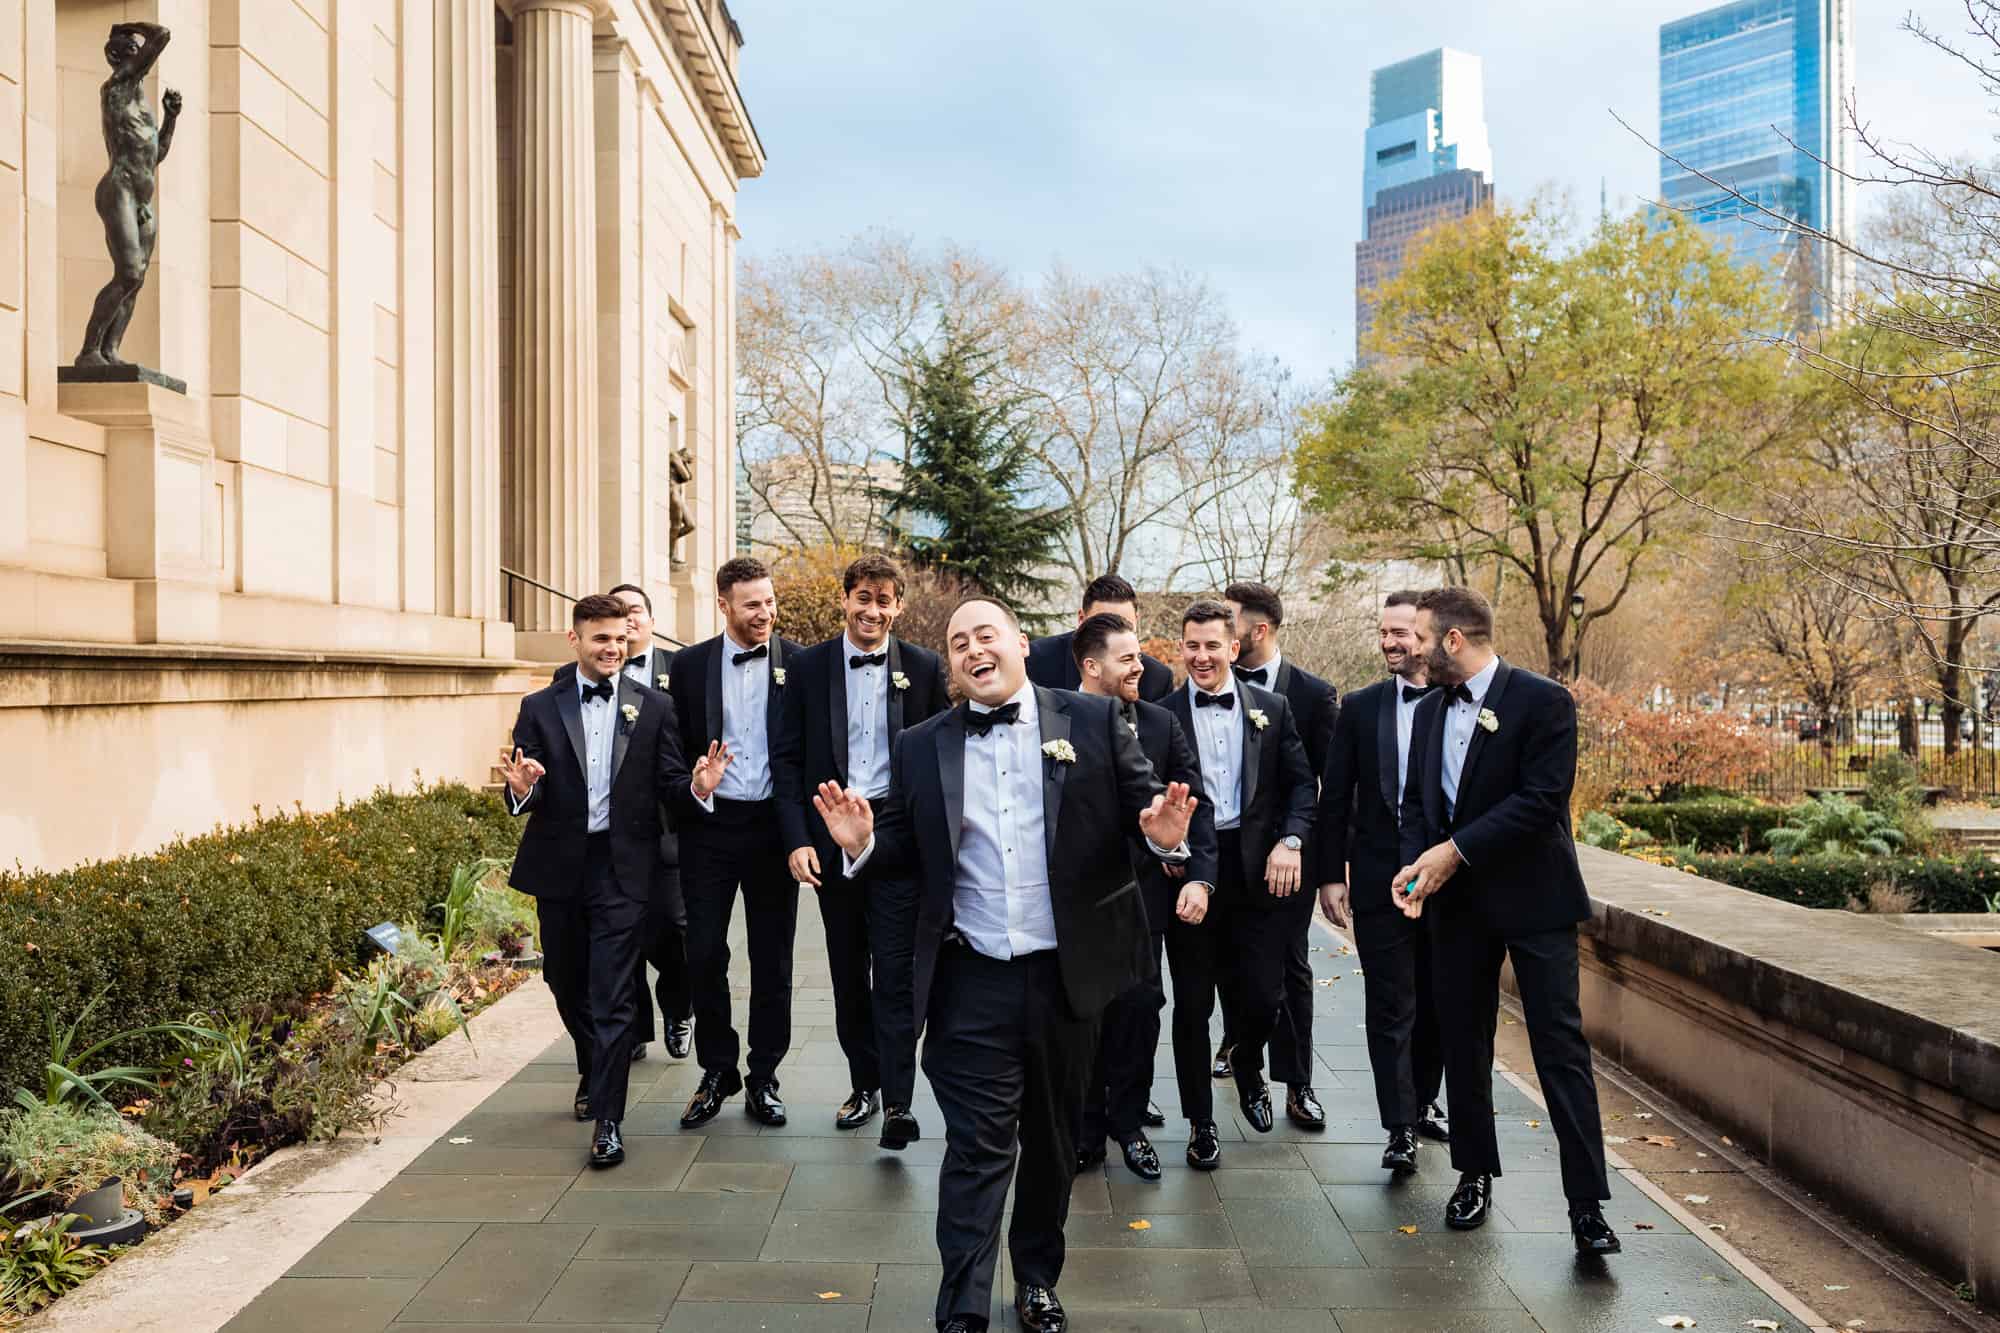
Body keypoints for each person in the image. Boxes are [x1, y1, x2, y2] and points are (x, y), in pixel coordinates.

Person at [813, 597, 1203, 1333]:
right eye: (957, 643)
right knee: (978, 1146)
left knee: (1054, 1143)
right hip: (970, 976)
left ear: (1021, 644)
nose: (970, 649)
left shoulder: (1090, 721)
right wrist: (861, 842)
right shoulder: (922, 743)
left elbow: (1145, 814)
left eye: (983, 634)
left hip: (1067, 977)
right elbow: (899, 845)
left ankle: (1035, 1278)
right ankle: (961, 1302)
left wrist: (1161, 837)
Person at [1393, 586, 1618, 1255]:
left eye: (1421, 638)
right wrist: (1413, 873)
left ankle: (1586, 1205)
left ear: (1454, 640)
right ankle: (1472, 1173)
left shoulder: (1546, 701)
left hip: (1537, 901)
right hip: (1456, 910)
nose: (1411, 650)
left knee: (1561, 1047)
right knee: (1464, 1041)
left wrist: (1452, 852)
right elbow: (1415, 802)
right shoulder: (1431, 710)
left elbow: (1542, 800)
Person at [497, 594, 728, 1169]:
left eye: (621, 639)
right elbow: (529, 786)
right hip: (560, 867)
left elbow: (671, 785)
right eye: (601, 639)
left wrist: (698, 786)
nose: (614, 649)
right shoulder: (540, 707)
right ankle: (593, 1065)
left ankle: (608, 1119)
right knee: (564, 977)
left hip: (625, 868)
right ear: (574, 640)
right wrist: (524, 787)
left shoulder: (653, 708)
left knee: (613, 990)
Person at [774, 553, 951, 1144]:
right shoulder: (808, 668)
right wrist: (799, 839)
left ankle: (899, 1103)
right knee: (849, 973)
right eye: (862, 597)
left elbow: (941, 760)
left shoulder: (924, 669)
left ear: (898, 606)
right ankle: (864, 1083)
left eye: (884, 600)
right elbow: (788, 757)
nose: (872, 609)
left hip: (897, 840)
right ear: (844, 600)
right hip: (831, 841)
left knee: (896, 976)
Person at [1158, 600, 1315, 1146]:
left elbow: (1300, 785)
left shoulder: (1270, 708)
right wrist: (1173, 855)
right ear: (1181, 648)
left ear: (1233, 646)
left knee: (1264, 998)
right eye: (1191, 645)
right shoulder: (1161, 715)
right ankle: (1200, 1121)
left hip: (1257, 873)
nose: (1201, 656)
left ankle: (1249, 1062)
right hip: (1188, 874)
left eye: (1211, 645)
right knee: (1194, 1003)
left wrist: (1290, 841)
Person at [1071, 613, 1217, 1179]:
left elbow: (1193, 806)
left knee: (1139, 1012)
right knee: (1083, 1017)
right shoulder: (1053, 720)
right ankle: (1083, 1129)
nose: (1142, 666)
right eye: (1127, 658)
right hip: (1077, 900)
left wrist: (1198, 873)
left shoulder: (1160, 722)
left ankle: (1127, 1125)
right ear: (1091, 666)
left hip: (1146, 898)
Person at [669, 558, 807, 1129]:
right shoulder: (688, 666)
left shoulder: (800, 663)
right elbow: (674, 751)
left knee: (772, 959)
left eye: (770, 601)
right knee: (702, 951)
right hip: (710, 828)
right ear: (723, 605)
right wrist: (696, 787)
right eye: (752, 604)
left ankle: (764, 1075)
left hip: (774, 830)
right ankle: (717, 1067)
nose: (765, 613)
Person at [1314, 592, 1448, 1175]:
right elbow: (1336, 795)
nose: (1390, 642)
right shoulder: (1363, 707)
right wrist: (1328, 875)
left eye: (1402, 633)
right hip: (1375, 880)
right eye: (1384, 632)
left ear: (1432, 635)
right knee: (1389, 1004)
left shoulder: (1460, 701)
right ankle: (1399, 1127)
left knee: (1440, 1004)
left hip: (1451, 884)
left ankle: (1422, 1101)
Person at [1217, 581, 1339, 1129]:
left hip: (1289, 862)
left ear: (1258, 630)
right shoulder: (1207, 685)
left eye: (1231, 621)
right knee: (1233, 968)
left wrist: (1307, 853)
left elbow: (1323, 788)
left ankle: (1298, 1084)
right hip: (1224, 860)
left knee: (1291, 970)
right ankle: (1244, 1059)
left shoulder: (1313, 695)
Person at [553, 584, 688, 1064]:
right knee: (610, 957)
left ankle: (678, 1005)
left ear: (648, 620)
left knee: (669, 932)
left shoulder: (678, 672)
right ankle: (626, 1036)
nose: (624, 629)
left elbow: (678, 752)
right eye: (614, 623)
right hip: (598, 847)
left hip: (662, 833)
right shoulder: (564, 686)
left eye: (634, 614)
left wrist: (697, 787)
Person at [1026, 573, 1174, 702]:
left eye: (1125, 626)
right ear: (1081, 618)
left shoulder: (1156, 679)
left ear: (1137, 621)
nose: (1113, 637)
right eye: (1101, 626)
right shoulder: (1037, 660)